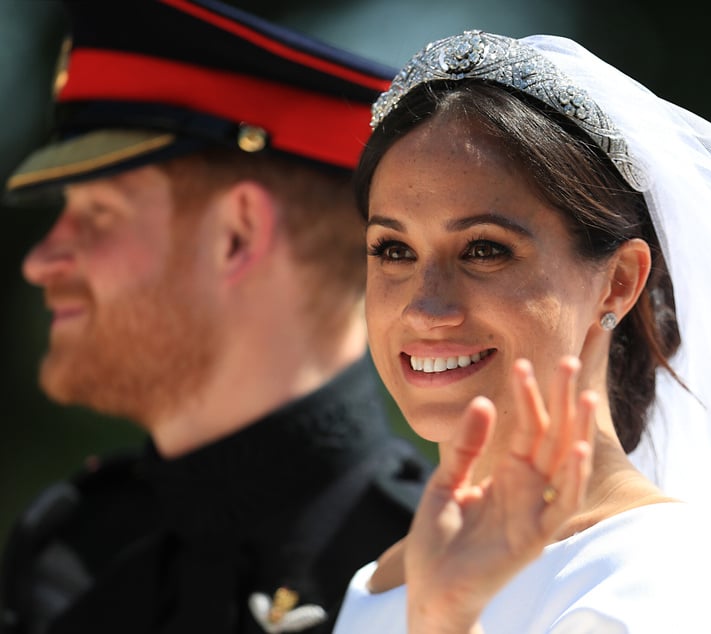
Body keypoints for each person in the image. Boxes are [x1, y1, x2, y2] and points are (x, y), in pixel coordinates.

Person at [331, 30, 711, 632]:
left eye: (485, 250)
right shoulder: (380, 581)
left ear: (619, 282)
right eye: (393, 250)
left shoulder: (655, 577)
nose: (426, 308)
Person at [0, 1, 431, 633]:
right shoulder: (67, 551)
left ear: (236, 235)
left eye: (98, 214)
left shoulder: (435, 577)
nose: (40, 261)